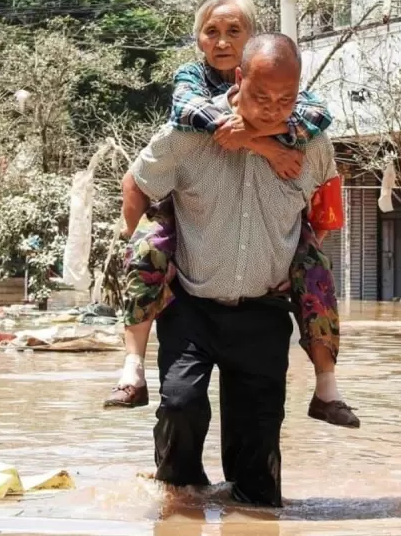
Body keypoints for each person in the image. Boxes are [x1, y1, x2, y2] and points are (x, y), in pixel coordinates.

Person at [106, 0, 357, 428]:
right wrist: (257, 141)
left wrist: (270, 139)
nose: (221, 42)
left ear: (251, 40)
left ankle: (327, 386)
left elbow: (317, 121)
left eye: (233, 31)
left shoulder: (292, 98)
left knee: (316, 272)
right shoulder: (190, 82)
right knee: (147, 253)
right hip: (189, 262)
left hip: (263, 304)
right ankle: (132, 366)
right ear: (200, 40)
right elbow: (187, 121)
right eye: (212, 32)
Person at [122, 33, 341, 506]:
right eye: (261, 96)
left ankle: (250, 512)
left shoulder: (313, 143)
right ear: (239, 79)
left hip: (263, 311)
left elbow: (326, 206)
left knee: (258, 451)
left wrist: (302, 259)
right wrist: (144, 244)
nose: (272, 109)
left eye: (286, 99)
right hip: (191, 307)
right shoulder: (186, 137)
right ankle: (179, 505)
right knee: (180, 407)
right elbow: (136, 181)